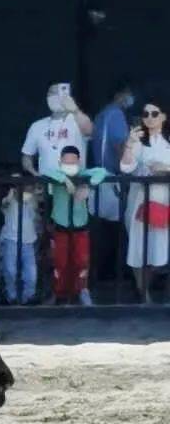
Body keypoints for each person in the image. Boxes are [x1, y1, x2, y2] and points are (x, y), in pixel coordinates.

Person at [43, 145, 109, 306]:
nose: (69, 164)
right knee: (60, 261)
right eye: (66, 161)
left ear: (79, 161)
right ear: (60, 161)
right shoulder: (56, 175)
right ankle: (59, 293)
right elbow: (47, 171)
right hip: (61, 226)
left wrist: (87, 185)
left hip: (81, 225)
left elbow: (102, 172)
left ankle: (82, 290)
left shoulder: (83, 174)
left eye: (73, 161)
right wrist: (65, 180)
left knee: (81, 261)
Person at [120, 97, 170, 300]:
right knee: (138, 249)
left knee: (159, 252)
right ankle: (144, 293)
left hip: (164, 199)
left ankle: (146, 287)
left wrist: (165, 169)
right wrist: (130, 144)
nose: (149, 118)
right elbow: (126, 167)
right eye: (146, 114)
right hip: (140, 200)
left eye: (154, 114)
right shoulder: (138, 140)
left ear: (164, 117)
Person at [89, 78, 133, 280]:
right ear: (119, 95)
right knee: (118, 229)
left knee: (102, 229)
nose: (130, 99)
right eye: (127, 94)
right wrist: (129, 168)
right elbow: (119, 145)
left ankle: (99, 273)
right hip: (112, 178)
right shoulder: (116, 115)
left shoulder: (101, 114)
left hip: (100, 177)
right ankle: (116, 274)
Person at [21, 82, 94, 180]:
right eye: (51, 94)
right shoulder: (37, 126)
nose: (54, 97)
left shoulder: (78, 121)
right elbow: (27, 156)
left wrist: (75, 110)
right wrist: (35, 175)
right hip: (47, 186)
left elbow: (90, 131)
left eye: (58, 93)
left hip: (75, 185)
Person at [0, 178, 39, 305]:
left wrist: (31, 199)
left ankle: (29, 296)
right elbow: (4, 205)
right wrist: (11, 195)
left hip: (28, 240)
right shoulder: (9, 202)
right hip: (11, 239)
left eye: (28, 189)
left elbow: (36, 212)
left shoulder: (32, 202)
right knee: (10, 269)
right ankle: (11, 296)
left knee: (31, 272)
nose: (25, 191)